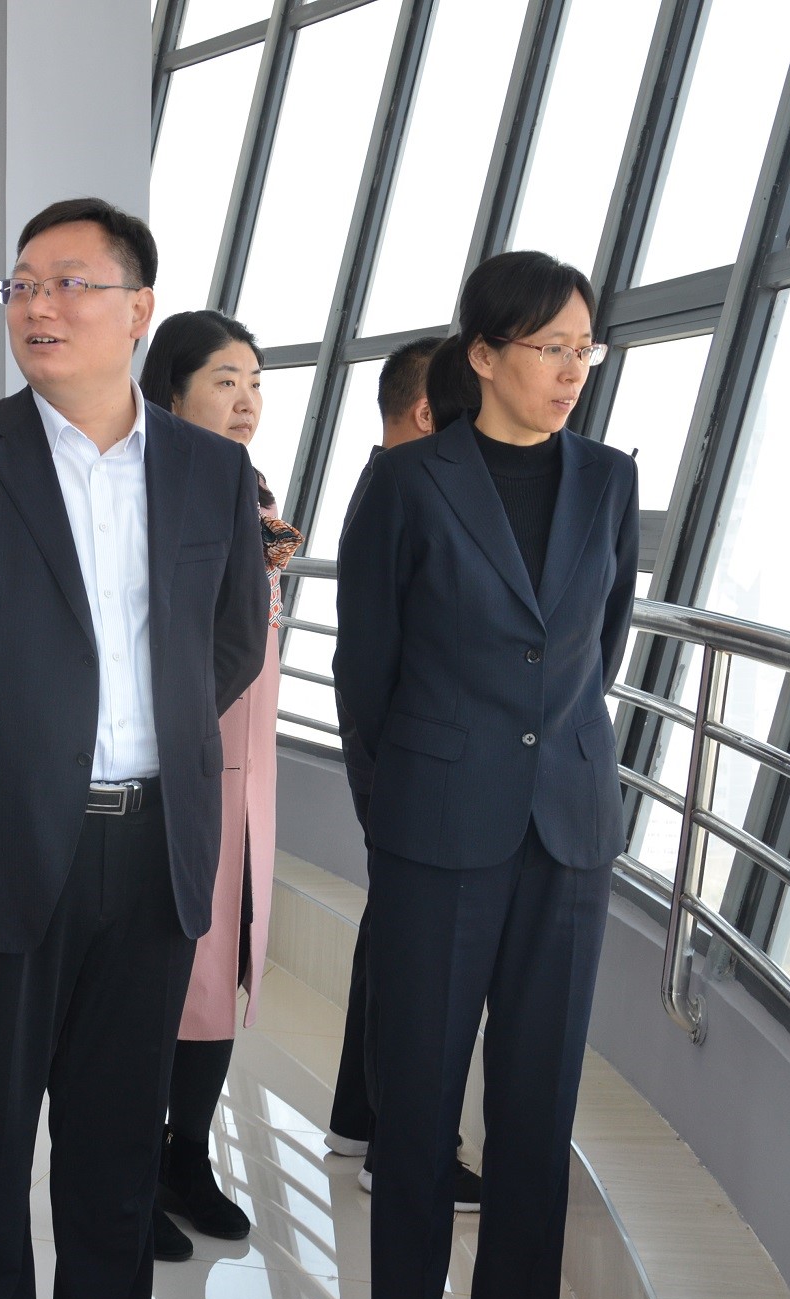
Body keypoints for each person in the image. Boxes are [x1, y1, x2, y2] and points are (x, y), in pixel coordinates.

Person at [0, 197, 269, 1299]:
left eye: (70, 282)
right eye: (23, 285)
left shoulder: (210, 473)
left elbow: (230, 641)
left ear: (137, 309)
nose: (38, 305)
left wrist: (144, 728)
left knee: (118, 1154)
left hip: (154, 853)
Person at [334, 250, 638, 1299]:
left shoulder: (607, 480)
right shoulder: (408, 483)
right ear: (484, 354)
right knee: (418, 1109)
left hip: (569, 830)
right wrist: (398, 816)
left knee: (537, 1109)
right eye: (550, 348)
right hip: (434, 832)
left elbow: (597, 646)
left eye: (584, 349)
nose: (571, 370)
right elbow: (365, 671)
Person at [135, 311, 299, 1262]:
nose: (246, 401)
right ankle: (129, 1171)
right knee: (163, 974)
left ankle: (186, 1158)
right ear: (172, 392)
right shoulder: (152, 493)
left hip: (249, 773)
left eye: (255, 382)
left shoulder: (254, 491)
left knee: (226, 964)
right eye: (225, 381)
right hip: (179, 762)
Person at [324, 335, 481, 1211]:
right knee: (416, 955)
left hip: (401, 760)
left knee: (393, 936)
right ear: (429, 412)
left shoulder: (384, 484)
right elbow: (371, 660)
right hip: (410, 765)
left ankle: (362, 1118)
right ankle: (400, 1144)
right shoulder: (403, 489)